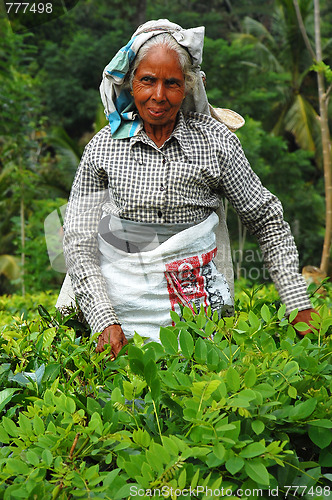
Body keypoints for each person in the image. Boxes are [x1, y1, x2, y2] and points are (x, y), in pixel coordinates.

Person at [61, 19, 316, 359]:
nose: (159, 95)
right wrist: (104, 319)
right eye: (147, 81)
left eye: (172, 83)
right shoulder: (104, 147)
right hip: (115, 312)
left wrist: (297, 301)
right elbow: (78, 241)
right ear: (131, 82)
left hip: (198, 320)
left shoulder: (215, 142)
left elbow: (266, 219)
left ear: (188, 87)